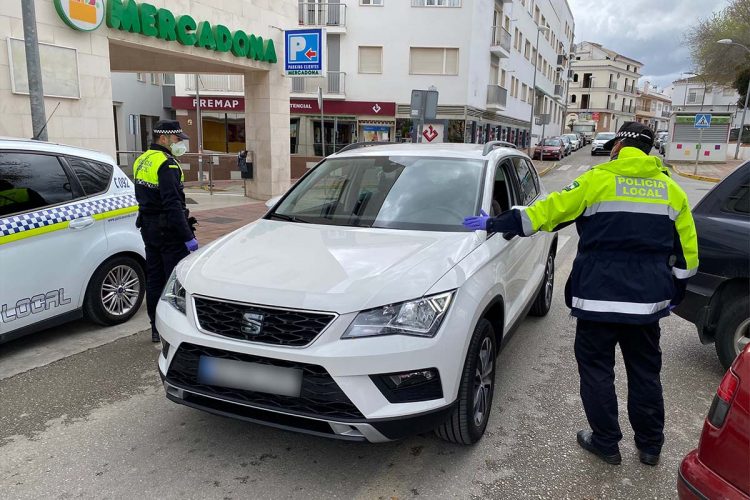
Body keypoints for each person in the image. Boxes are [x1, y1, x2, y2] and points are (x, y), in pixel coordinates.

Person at [463, 122, 698, 466]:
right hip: (646, 305)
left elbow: (546, 213)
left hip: (597, 301)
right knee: (645, 373)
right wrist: (675, 292)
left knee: (597, 371)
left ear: (619, 144)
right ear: (649, 150)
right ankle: (649, 446)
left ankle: (606, 442)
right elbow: (688, 255)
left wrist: (496, 223)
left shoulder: (595, 180)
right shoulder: (671, 191)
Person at [133, 120, 198, 342]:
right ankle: (172, 329)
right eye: (178, 139)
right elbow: (173, 205)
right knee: (173, 282)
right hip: (168, 231)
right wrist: (187, 237)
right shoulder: (167, 164)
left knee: (154, 279)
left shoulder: (142, 160)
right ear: (164, 139)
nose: (181, 143)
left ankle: (154, 328)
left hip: (148, 227)